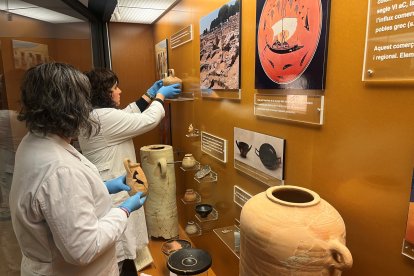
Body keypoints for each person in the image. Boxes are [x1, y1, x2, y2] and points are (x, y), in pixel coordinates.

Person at [9, 62, 146, 276]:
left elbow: (55, 201)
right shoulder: (60, 170)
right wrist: (124, 210)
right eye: (84, 100)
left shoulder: (33, 142)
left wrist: (104, 186)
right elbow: (84, 248)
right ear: (70, 107)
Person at [78, 68, 181, 272]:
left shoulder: (94, 115)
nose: (120, 91)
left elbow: (127, 114)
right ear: (104, 93)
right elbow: (145, 121)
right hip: (112, 191)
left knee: (123, 247)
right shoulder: (103, 119)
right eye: (115, 88)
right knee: (120, 249)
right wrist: (161, 97)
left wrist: (150, 94)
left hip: (108, 184)